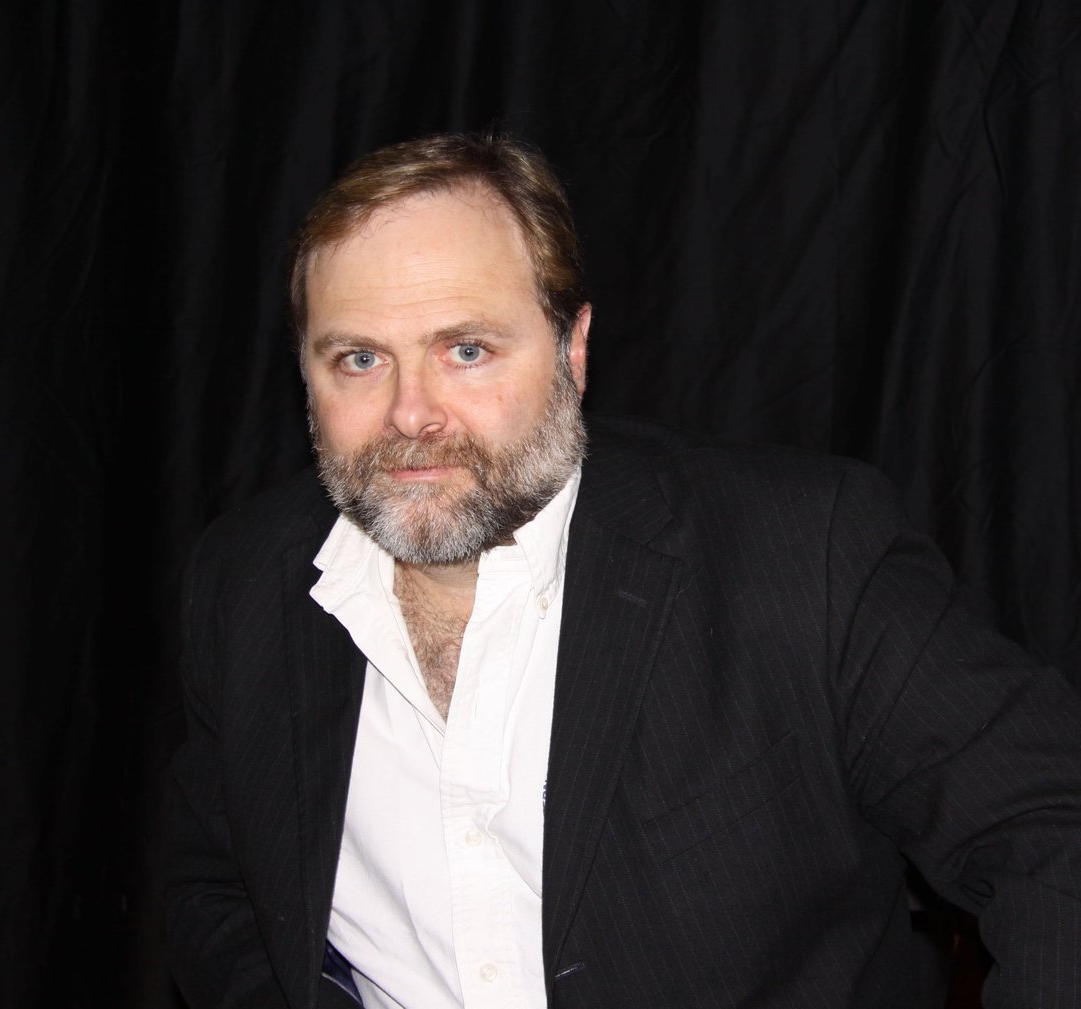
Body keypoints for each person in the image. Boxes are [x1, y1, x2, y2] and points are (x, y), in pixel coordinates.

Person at [165, 133, 1081, 1009]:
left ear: (573, 349)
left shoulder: (803, 556)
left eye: (467, 350)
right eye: (360, 359)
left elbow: (1053, 828)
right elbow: (217, 890)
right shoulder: (245, 583)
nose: (412, 413)